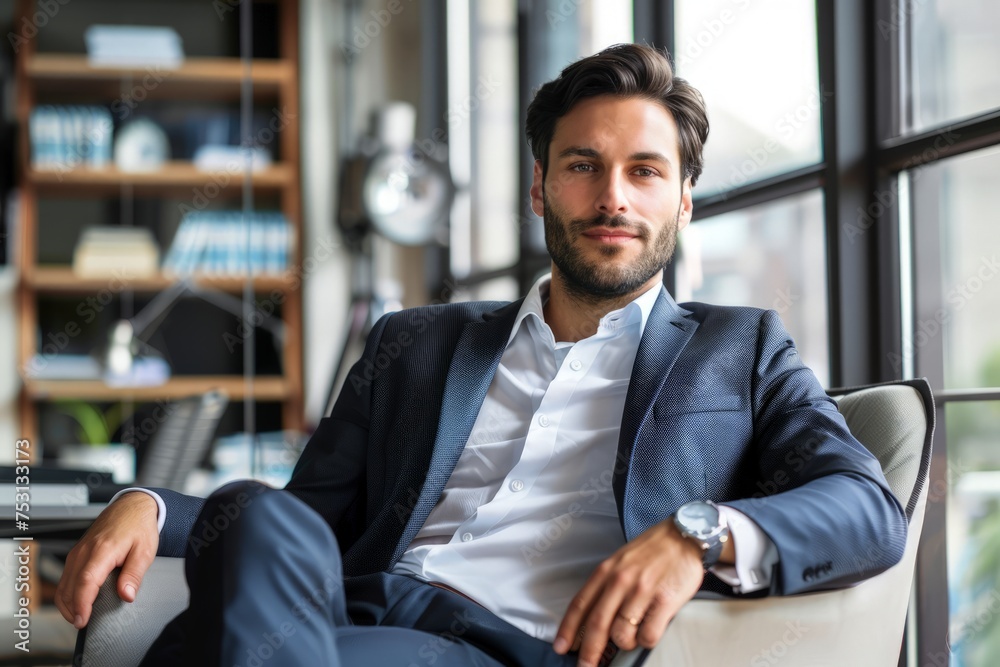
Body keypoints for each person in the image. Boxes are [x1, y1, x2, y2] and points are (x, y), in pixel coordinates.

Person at [56, 43, 907, 667]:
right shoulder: (414, 341)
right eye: (584, 165)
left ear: (684, 202)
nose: (613, 196)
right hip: (348, 615)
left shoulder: (743, 347)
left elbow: (867, 508)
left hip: (503, 649)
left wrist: (698, 534)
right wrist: (155, 507)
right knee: (252, 509)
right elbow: (302, 521)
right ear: (539, 187)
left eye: (646, 172)